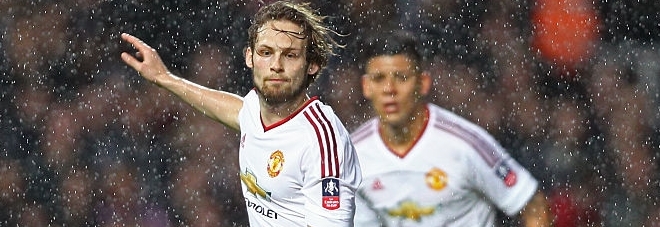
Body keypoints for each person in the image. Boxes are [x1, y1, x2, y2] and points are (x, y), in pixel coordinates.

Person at [119, 1, 362, 226]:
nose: (276, 65)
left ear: (312, 65)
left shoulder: (322, 143)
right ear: (250, 57)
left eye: (290, 55)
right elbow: (238, 111)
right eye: (266, 52)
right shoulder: (256, 107)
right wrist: (164, 78)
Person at [350, 30, 552, 227]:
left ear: (423, 83)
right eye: (379, 79)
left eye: (401, 78)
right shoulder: (352, 156)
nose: (389, 90)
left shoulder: (466, 144)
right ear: (366, 86)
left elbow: (533, 206)